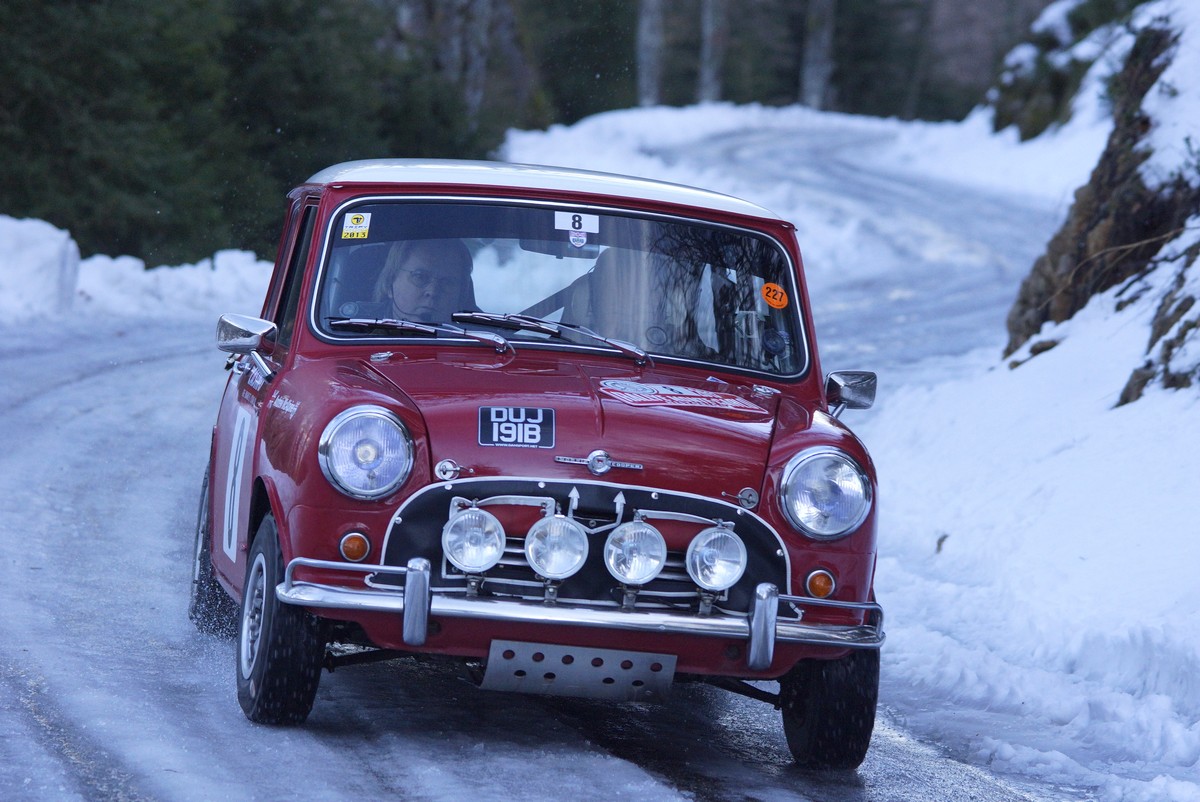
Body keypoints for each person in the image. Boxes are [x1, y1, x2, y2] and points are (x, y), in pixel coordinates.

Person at [373, 239, 474, 322]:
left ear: (460, 296)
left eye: (447, 283)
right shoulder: (359, 329)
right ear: (389, 283)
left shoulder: (483, 339)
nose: (433, 292)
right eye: (420, 277)